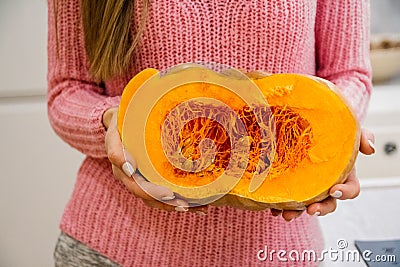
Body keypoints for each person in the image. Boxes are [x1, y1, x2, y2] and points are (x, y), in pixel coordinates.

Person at [48, 0, 375, 266]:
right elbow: (67, 90)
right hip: (114, 247)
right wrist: (115, 121)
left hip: (279, 252)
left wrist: (337, 130)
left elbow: (349, 73)